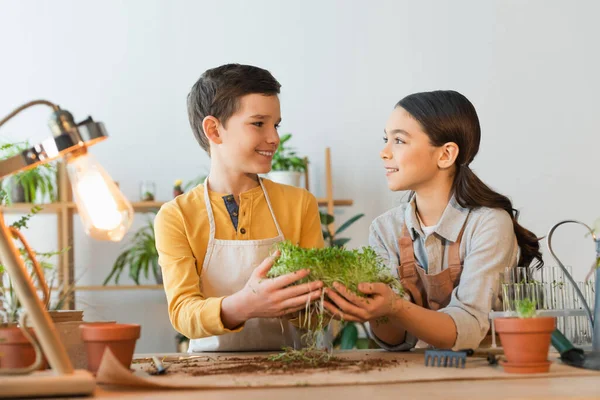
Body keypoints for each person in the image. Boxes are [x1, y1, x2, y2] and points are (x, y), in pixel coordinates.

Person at [323, 90, 542, 351]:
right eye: (386, 139)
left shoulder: (489, 224)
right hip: (420, 373)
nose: (384, 152)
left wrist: (395, 305)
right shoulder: (385, 229)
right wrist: (371, 306)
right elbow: (394, 340)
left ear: (446, 155)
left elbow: (469, 328)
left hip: (488, 375)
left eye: (399, 141)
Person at [154, 64, 324, 352]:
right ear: (214, 130)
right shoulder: (177, 216)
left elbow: (317, 314)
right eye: (258, 123)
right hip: (208, 377)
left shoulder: (300, 205)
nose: (274, 138)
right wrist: (245, 305)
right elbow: (182, 313)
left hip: (290, 372)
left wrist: (310, 303)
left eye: (276, 124)